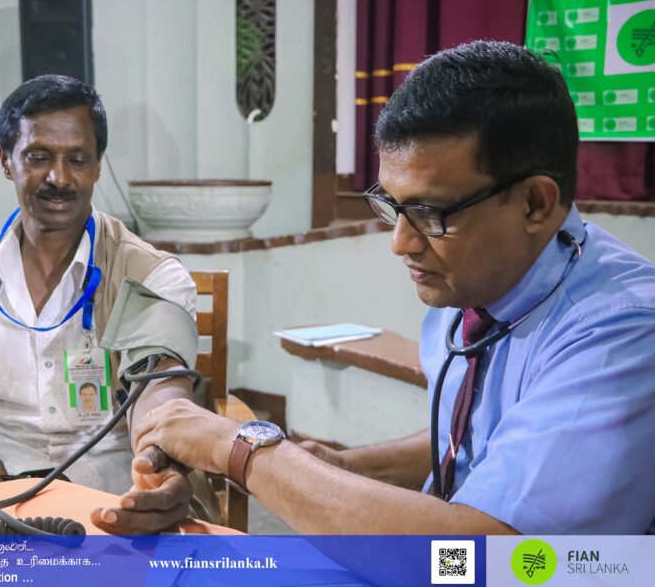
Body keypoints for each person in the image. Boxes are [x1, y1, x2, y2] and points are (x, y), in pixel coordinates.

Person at [129, 40, 655, 535]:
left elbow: (479, 560)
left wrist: (244, 450)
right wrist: (349, 468)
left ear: (535, 204)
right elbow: (483, 441)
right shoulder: (472, 285)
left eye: (427, 212)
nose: (400, 244)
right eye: (393, 207)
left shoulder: (621, 334)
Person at [0, 75, 200, 534]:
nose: (59, 178)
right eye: (38, 157)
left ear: (97, 166)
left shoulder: (152, 276)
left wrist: (159, 454)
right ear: (6, 160)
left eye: (78, 159)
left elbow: (162, 393)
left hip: (113, 499)